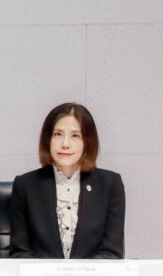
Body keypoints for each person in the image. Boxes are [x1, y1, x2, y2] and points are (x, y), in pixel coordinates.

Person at [9, 103, 125, 259]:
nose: (65, 144)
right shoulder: (25, 185)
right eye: (58, 134)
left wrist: (80, 273)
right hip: (40, 275)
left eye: (75, 136)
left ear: (88, 142)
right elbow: (20, 253)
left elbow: (111, 253)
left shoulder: (110, 185)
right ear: (48, 139)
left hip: (93, 275)